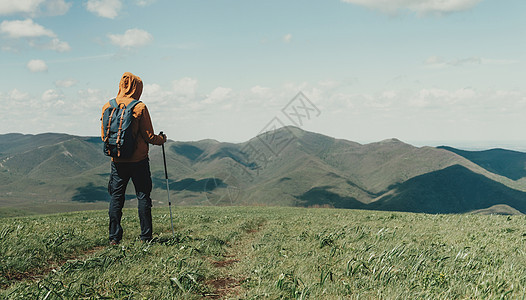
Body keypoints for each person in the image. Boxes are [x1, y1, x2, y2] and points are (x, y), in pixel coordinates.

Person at [101, 72, 167, 245]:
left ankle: (114, 238)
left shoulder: (108, 105)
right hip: (139, 161)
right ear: (137, 87)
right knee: (143, 196)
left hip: (117, 161)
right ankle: (146, 237)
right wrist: (162, 139)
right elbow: (149, 137)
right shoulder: (140, 107)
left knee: (116, 198)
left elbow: (104, 136)